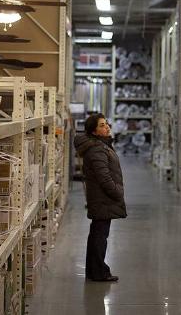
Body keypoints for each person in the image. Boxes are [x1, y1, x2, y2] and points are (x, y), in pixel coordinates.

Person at [74, 113, 126, 282]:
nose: (107, 127)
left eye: (106, 124)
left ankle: (94, 270)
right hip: (103, 198)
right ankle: (98, 272)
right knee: (99, 237)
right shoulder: (97, 149)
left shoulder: (100, 146)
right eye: (102, 125)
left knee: (97, 234)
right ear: (94, 131)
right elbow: (104, 177)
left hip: (101, 198)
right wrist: (117, 192)